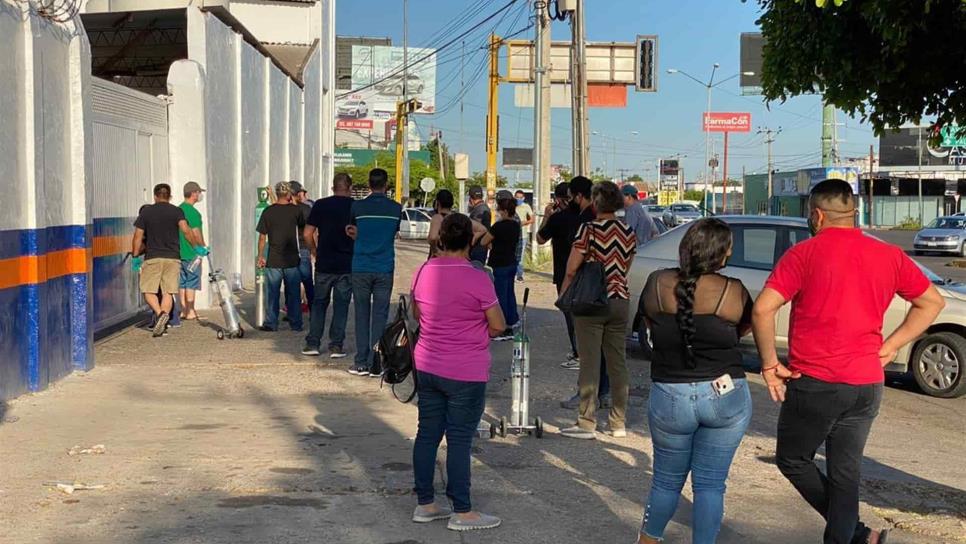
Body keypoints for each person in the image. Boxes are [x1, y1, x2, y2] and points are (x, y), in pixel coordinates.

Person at [752, 179, 945, 544]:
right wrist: (892, 345)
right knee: (845, 476)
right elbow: (931, 303)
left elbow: (763, 308)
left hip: (816, 383)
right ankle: (856, 535)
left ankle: (854, 531)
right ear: (854, 214)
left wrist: (767, 364)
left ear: (817, 215)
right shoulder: (888, 255)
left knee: (793, 460)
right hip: (866, 384)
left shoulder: (803, 254)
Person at [636, 218, 753, 544]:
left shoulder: (657, 283)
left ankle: (647, 541)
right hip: (725, 395)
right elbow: (742, 331)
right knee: (711, 484)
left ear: (685, 248)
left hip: (670, 395)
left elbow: (649, 323)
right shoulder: (733, 290)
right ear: (723, 253)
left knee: (665, 481)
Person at [410, 213, 506, 532]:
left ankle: (425, 504)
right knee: (460, 440)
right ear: (469, 241)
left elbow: (417, 312)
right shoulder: (478, 277)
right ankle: (462, 511)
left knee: (427, 434)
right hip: (465, 369)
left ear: (440, 240)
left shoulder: (424, 270)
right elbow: (498, 325)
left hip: (426, 364)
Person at [559, 180, 636, 440]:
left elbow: (571, 268)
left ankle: (586, 422)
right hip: (620, 299)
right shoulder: (628, 231)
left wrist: (564, 296)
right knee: (618, 363)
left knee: (590, 363)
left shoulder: (588, 230)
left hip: (592, 302)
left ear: (595, 203)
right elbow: (625, 267)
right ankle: (618, 422)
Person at [559, 176, 612, 410]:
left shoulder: (586, 223)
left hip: (587, 292)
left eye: (572, 197)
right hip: (612, 291)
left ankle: (586, 397)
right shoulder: (621, 228)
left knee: (587, 347)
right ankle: (607, 393)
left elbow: (572, 266)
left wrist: (564, 293)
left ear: (579, 196)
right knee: (608, 348)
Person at [346, 168, 402, 377]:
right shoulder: (396, 208)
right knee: (380, 315)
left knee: (361, 313)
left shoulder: (357, 206)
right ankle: (376, 363)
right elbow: (393, 232)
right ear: (386, 185)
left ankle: (361, 362)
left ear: (369, 185)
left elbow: (351, 229)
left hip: (360, 266)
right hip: (384, 267)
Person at [132, 183, 204, 337]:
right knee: (168, 292)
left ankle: (159, 314)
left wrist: (135, 255)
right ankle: (164, 316)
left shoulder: (147, 212)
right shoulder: (177, 211)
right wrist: (196, 247)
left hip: (153, 257)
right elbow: (186, 231)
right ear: (169, 196)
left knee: (148, 291)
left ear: (155, 196)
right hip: (173, 258)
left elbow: (138, 236)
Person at [302, 173, 354, 359]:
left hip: (324, 263)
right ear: (350, 188)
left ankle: (313, 343)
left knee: (319, 304)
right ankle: (336, 346)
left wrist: (315, 251)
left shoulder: (321, 205)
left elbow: (307, 233)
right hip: (347, 264)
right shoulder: (354, 206)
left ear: (333, 187)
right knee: (341, 305)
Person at [537, 181, 581, 368]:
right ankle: (583, 352)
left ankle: (578, 353)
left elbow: (540, 238)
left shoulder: (557, 219)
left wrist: (547, 216)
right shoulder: (585, 217)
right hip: (585, 272)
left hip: (564, 272)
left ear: (559, 200)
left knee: (570, 316)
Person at [256, 181, 306, 332]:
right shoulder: (296, 211)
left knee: (273, 293)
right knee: (294, 294)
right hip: (291, 259)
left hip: (274, 259)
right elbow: (303, 230)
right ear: (289, 194)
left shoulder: (268, 212)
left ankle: (271, 323)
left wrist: (260, 256)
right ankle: (296, 323)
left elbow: (262, 237)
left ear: (276, 193)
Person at [480, 190, 520, 340]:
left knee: (500, 295)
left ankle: (503, 329)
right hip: (511, 262)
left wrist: (491, 245)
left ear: (503, 211)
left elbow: (484, 241)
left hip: (499, 264)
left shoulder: (498, 226)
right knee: (510, 293)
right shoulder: (516, 225)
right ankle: (511, 321)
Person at [622, 184, 657, 342]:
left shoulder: (632, 211)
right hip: (648, 252)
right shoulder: (642, 209)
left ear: (629, 196)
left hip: (638, 255)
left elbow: (626, 235)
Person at [178, 181, 206, 322]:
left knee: (181, 282)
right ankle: (190, 311)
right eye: (199, 192)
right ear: (194, 193)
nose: (200, 195)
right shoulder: (193, 213)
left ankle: (183, 310)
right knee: (191, 281)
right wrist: (202, 247)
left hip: (178, 253)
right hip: (191, 253)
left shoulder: (178, 209)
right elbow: (195, 232)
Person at [290, 181, 314, 314]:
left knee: (291, 283)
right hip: (304, 248)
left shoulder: (282, 209)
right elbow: (312, 231)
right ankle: (313, 310)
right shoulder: (306, 209)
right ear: (299, 194)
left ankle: (293, 314)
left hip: (288, 250)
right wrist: (313, 249)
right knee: (307, 281)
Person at [466, 186, 491, 265]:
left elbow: (477, 230)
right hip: (481, 247)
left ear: (471, 198)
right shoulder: (484, 208)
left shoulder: (479, 210)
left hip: (477, 248)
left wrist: (471, 243)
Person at [427, 189, 455, 258]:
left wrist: (436, 251)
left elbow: (432, 237)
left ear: (437, 202)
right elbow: (482, 230)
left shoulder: (437, 217)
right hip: (453, 258)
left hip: (439, 260)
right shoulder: (457, 218)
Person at [514, 189, 534, 282]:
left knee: (520, 257)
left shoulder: (526, 206)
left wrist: (523, 223)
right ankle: (513, 273)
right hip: (512, 234)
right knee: (512, 255)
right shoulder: (512, 206)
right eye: (517, 197)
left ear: (523, 198)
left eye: (520, 198)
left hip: (523, 234)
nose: (518, 199)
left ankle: (519, 275)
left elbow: (532, 219)